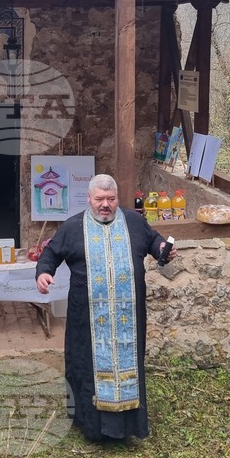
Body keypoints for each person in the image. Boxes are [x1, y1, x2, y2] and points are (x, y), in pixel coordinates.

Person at [35, 174, 175, 442]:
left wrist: (162, 249)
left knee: (129, 366)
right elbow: (50, 254)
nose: (105, 204)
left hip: (128, 319)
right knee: (86, 366)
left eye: (111, 199)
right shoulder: (74, 226)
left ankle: (129, 424)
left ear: (117, 199)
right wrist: (43, 273)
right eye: (99, 199)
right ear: (89, 198)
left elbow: (154, 241)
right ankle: (92, 427)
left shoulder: (134, 222)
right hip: (86, 319)